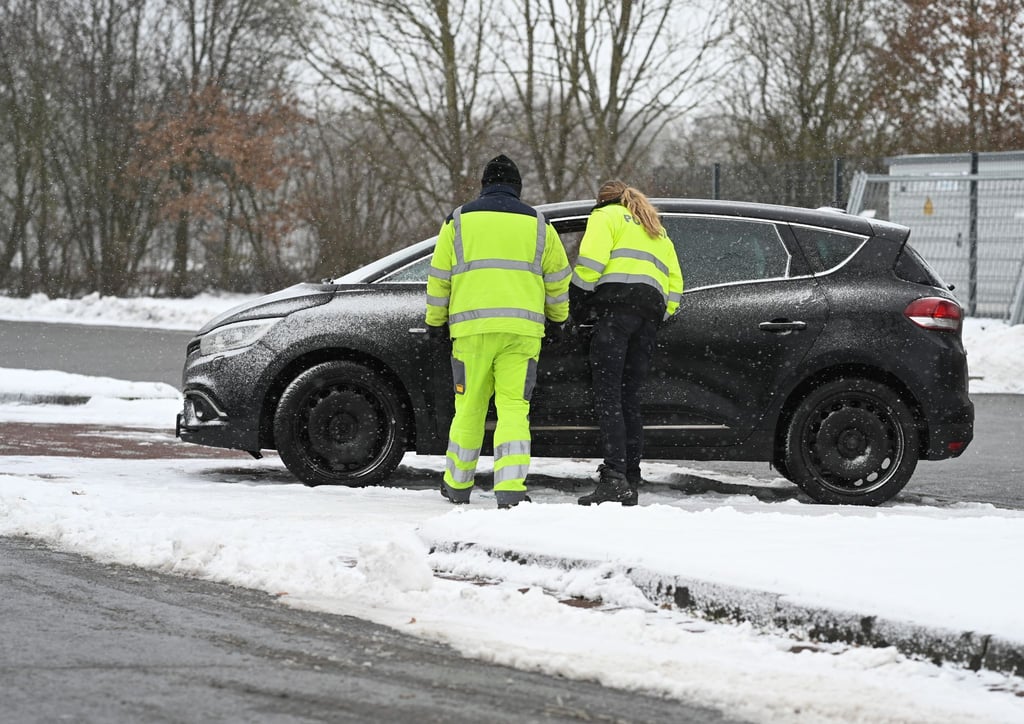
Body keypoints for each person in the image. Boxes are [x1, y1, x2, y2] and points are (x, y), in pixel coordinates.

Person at [425, 154, 571, 508]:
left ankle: (457, 486)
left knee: (470, 409)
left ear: (484, 186)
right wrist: (559, 318)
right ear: (518, 188)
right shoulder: (539, 224)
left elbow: (438, 277)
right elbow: (558, 279)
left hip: (471, 331)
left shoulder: (458, 221)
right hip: (522, 333)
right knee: (513, 410)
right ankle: (510, 490)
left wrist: (434, 323)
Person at [570, 180, 683, 506]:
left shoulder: (605, 217)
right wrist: (661, 313)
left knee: (609, 397)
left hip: (615, 316)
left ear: (603, 201)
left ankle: (614, 478)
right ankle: (631, 474)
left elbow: (590, 264)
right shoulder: (655, 229)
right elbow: (675, 283)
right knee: (629, 399)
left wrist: (575, 305)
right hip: (646, 321)